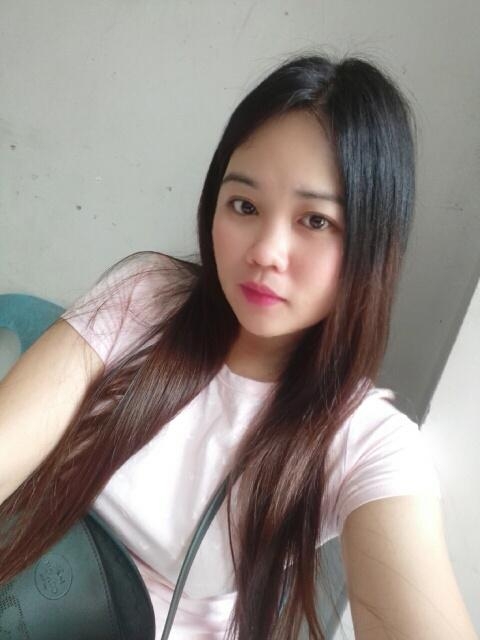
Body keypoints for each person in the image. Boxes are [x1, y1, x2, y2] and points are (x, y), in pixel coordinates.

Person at [0, 54, 477, 640]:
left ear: (371, 244)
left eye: (315, 221)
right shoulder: (145, 297)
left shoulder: (365, 444)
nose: (266, 252)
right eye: (245, 206)